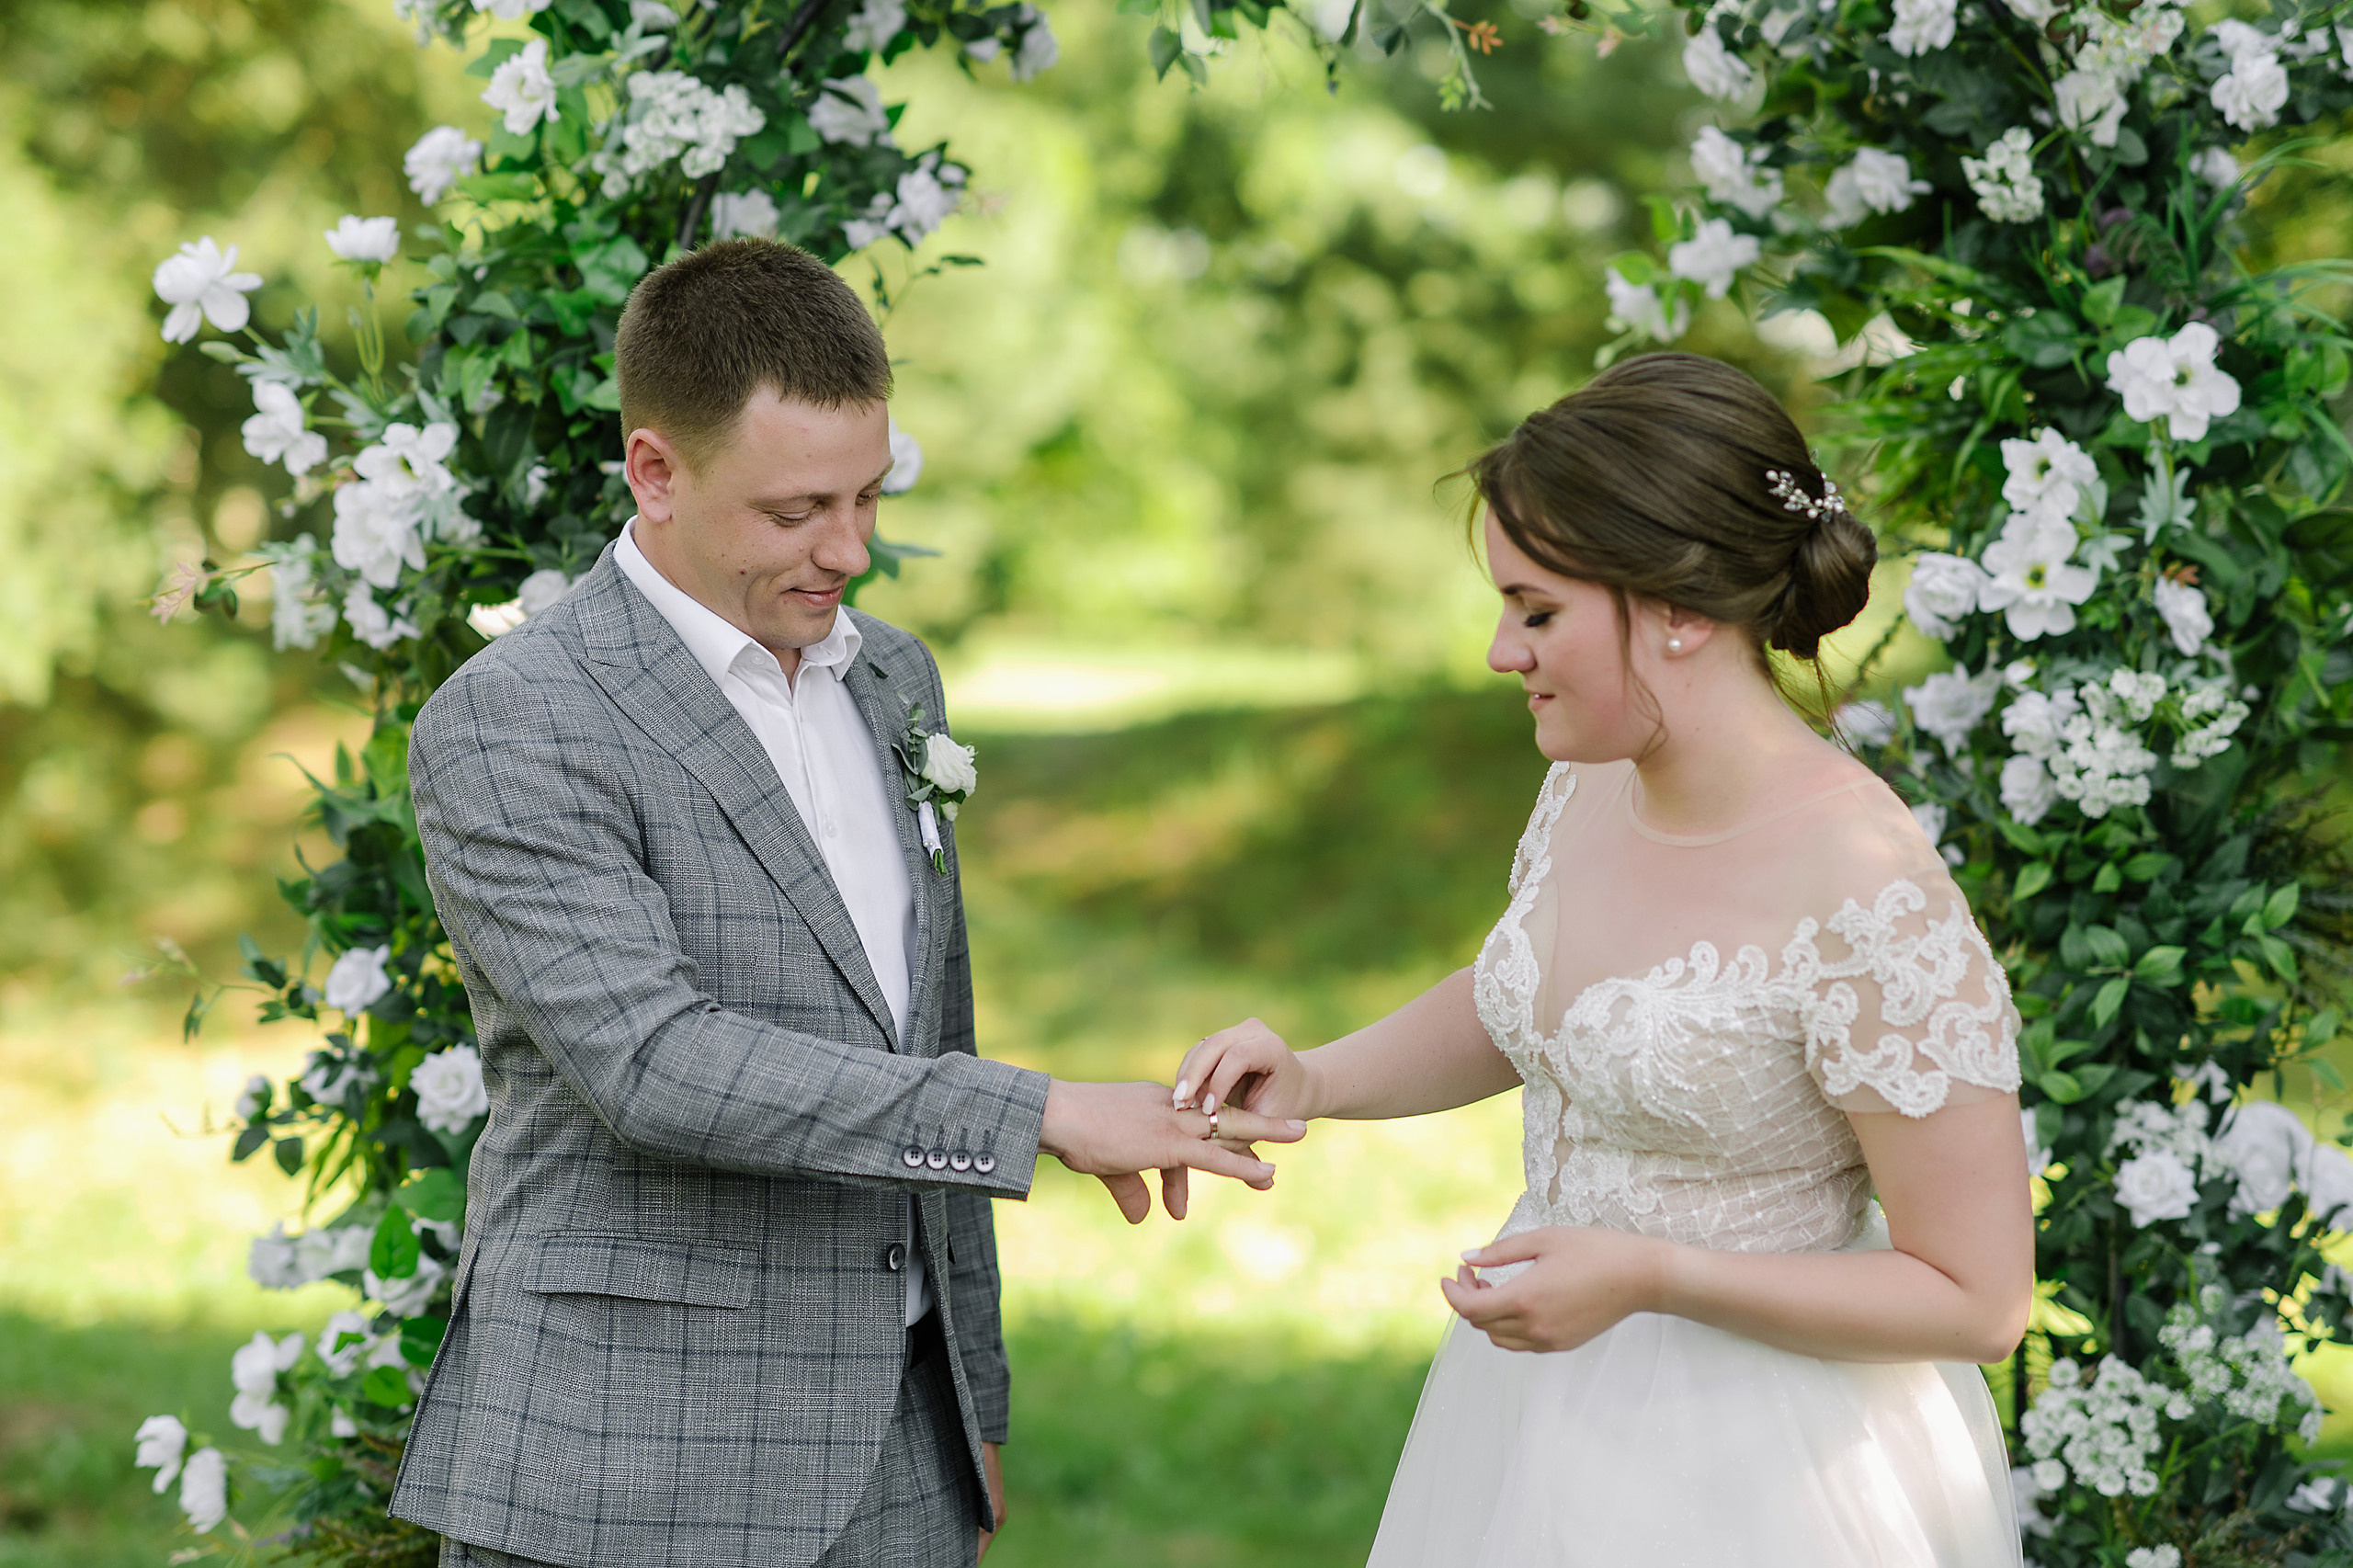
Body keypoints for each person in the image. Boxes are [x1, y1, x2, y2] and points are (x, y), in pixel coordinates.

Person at [390, 237, 1302, 1568]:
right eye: (797, 511)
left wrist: (971, 1395)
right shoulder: (516, 721)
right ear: (655, 471)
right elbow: (655, 1063)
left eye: (869, 497)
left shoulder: (896, 684)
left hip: (898, 1452)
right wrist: (1042, 1114)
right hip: (628, 1468)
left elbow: (934, 1019)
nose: (851, 550)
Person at [1176, 352, 2031, 1566]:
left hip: (1773, 1465)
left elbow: (1979, 1296)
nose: (1497, 652)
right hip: (1536, 1409)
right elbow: (1539, 1004)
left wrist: (1653, 1275)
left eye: (1537, 611)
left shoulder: (1864, 884)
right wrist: (1316, 1078)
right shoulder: (1586, 781)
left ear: (1679, 610)